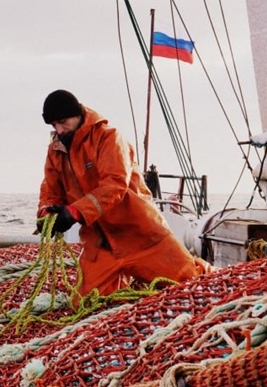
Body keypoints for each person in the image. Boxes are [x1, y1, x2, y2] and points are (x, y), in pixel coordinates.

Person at [37, 89, 209, 296]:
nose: (59, 130)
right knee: (85, 302)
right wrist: (46, 213)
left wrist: (75, 212)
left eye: (63, 122)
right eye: (54, 125)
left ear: (77, 114)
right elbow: (50, 191)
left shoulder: (108, 137)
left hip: (140, 234)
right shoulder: (55, 151)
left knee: (193, 284)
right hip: (100, 243)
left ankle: (207, 269)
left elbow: (115, 184)